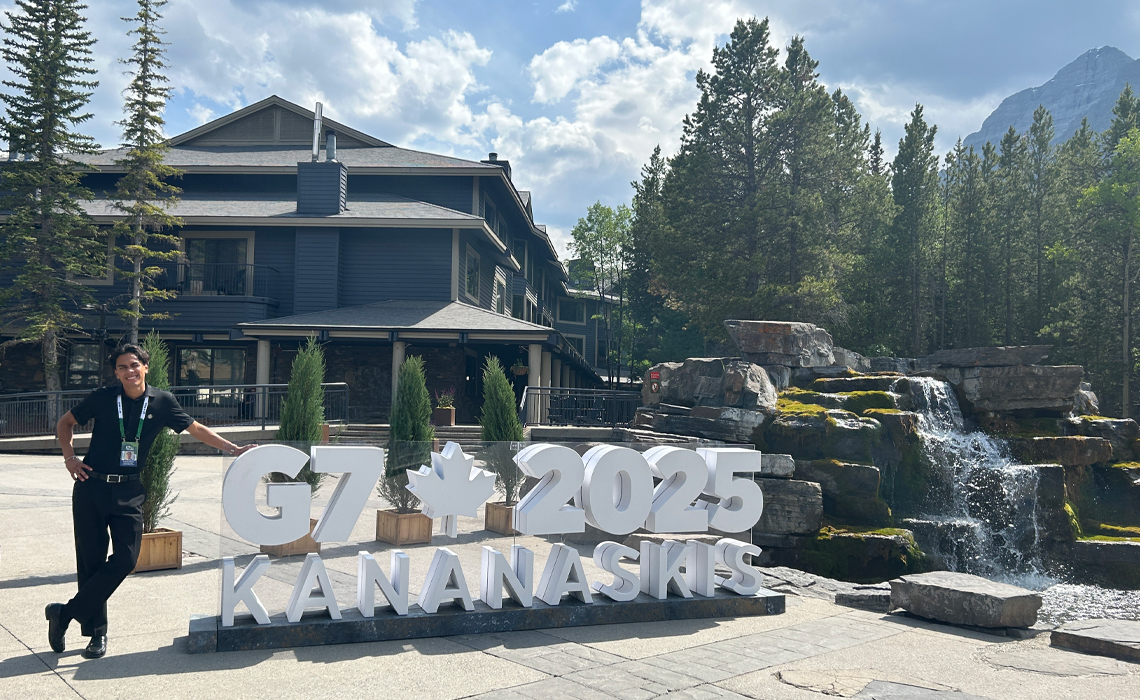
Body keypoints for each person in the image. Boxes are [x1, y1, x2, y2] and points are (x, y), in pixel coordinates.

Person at [47, 343, 255, 659]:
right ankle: (96, 635)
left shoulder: (162, 402)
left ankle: (63, 614)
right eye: (122, 367)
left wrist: (232, 449)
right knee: (91, 563)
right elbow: (65, 423)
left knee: (126, 559)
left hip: (129, 491)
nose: (129, 371)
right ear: (116, 372)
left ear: (146, 367)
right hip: (91, 488)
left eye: (134, 365)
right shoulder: (103, 398)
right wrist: (69, 458)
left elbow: (195, 428)